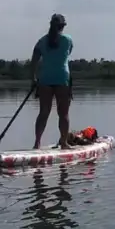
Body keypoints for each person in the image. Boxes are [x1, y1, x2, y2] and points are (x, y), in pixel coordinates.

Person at [31, 13, 74, 149]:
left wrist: (33, 78)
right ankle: (64, 142)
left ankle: (37, 142)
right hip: (62, 78)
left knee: (44, 112)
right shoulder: (68, 40)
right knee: (63, 113)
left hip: (45, 79)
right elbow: (68, 53)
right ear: (62, 26)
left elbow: (34, 61)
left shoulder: (41, 41)